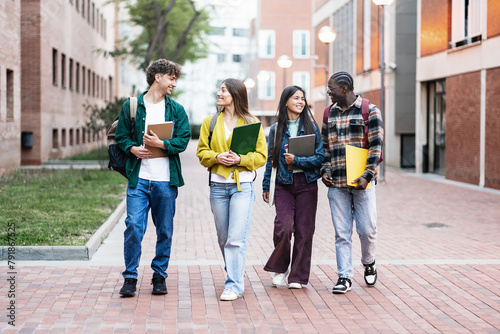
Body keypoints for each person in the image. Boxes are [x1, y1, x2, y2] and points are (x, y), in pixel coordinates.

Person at [115, 59, 191, 297]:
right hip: (139, 180)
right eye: (171, 78)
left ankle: (159, 275)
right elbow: (121, 136)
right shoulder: (132, 105)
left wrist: (162, 144)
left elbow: (184, 139)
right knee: (134, 227)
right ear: (157, 77)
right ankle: (130, 277)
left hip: (165, 181)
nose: (174, 84)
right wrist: (132, 149)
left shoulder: (176, 109)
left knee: (165, 230)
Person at [196, 78, 267, 301]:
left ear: (235, 94)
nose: (219, 93)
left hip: (242, 187)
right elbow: (201, 152)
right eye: (219, 89)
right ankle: (235, 271)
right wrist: (217, 157)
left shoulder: (251, 122)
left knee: (236, 238)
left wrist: (240, 159)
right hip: (217, 187)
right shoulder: (210, 121)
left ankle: (234, 284)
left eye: (223, 90)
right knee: (223, 238)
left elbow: (261, 156)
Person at [321, 71, 384, 294]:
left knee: (367, 230)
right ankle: (344, 276)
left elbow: (376, 147)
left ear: (345, 89)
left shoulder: (370, 110)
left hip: (363, 183)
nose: (328, 92)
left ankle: (369, 263)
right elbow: (325, 148)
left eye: (332, 89)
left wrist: (367, 175)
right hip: (337, 185)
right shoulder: (329, 113)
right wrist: (324, 170)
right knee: (342, 232)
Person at [262, 86, 324, 289]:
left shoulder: (312, 127)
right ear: (286, 101)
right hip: (283, 185)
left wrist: (297, 160)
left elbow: (320, 158)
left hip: (307, 185)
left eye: (303, 98)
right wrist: (265, 186)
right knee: (284, 227)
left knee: (305, 231)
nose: (300, 101)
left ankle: (297, 277)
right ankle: (281, 268)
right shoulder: (276, 129)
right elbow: (271, 159)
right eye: (296, 98)